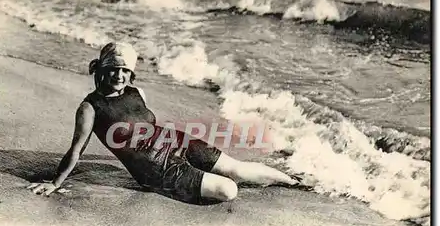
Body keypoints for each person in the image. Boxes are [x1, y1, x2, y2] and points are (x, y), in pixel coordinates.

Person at [28, 42, 300, 203]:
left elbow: (142, 126)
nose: (120, 76)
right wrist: (55, 182)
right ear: (102, 69)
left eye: (126, 71)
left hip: (175, 141)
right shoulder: (90, 108)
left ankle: (293, 181)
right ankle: (200, 179)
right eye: (114, 69)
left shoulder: (137, 93)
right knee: (229, 190)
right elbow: (76, 150)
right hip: (156, 170)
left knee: (236, 169)